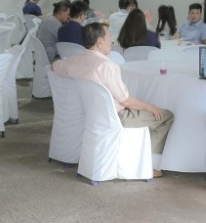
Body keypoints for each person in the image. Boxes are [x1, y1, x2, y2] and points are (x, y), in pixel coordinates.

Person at [53, 22, 173, 177]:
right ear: (100, 41)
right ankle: (146, 164)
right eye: (109, 37)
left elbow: (54, 66)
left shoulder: (75, 60)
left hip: (94, 116)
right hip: (118, 117)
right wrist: (151, 107)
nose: (112, 41)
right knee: (166, 116)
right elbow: (126, 102)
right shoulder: (107, 66)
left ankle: (137, 156)